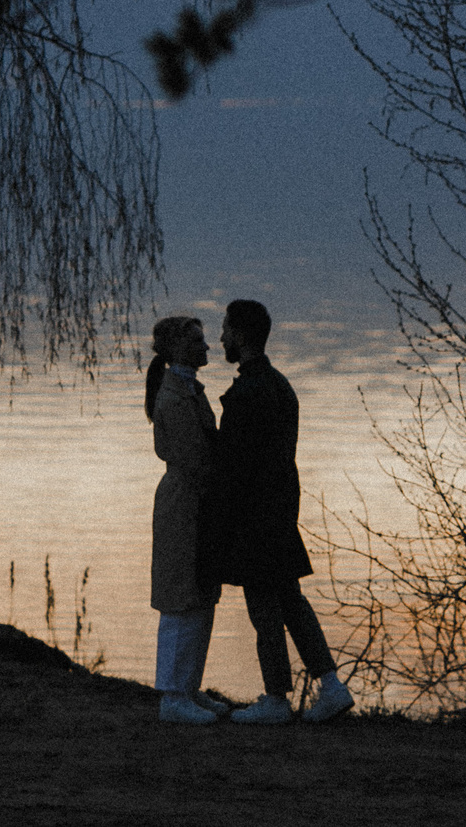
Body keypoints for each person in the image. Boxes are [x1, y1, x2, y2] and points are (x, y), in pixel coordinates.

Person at [206, 298, 353, 724]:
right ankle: (331, 686)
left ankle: (275, 699)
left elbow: (232, 469)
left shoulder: (246, 394)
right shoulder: (281, 385)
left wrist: (219, 523)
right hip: (281, 509)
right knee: (291, 601)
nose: (221, 338)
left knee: (264, 609)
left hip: (254, 515)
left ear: (240, 334)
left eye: (225, 330)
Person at [146, 315, 225, 725]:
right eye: (197, 342)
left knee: (200, 593)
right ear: (177, 349)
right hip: (184, 503)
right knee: (179, 597)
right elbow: (195, 458)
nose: (207, 348)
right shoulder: (176, 397)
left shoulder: (188, 390)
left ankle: (188, 688)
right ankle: (172, 696)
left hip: (197, 501)